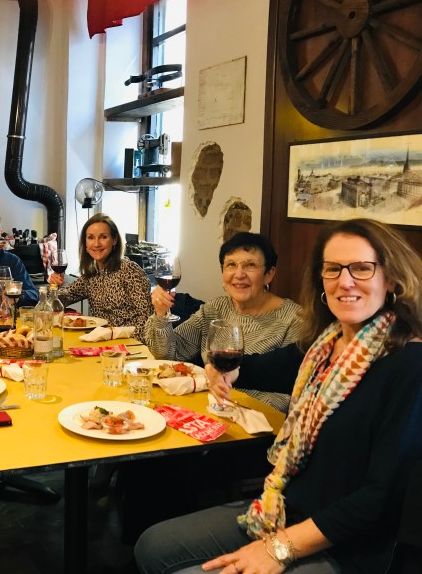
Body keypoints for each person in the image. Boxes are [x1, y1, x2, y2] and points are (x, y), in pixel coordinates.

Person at [135, 218, 422, 574]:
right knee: (152, 545)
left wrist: (279, 548)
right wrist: (228, 369)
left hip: (348, 547)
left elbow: (382, 499)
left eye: (362, 269)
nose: (345, 281)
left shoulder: (409, 365)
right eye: (333, 269)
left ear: (391, 279)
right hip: (283, 508)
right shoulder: (323, 346)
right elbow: (263, 366)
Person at [145, 232, 302, 413]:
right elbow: (169, 353)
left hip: (256, 424)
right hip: (205, 410)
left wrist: (230, 405)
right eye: (231, 265)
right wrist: (161, 315)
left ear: (269, 274)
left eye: (250, 265)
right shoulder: (215, 308)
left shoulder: (294, 319)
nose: (239, 274)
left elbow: (288, 395)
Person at [48, 213, 152, 340]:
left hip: (131, 345)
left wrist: (119, 337)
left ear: (114, 240)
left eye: (103, 237)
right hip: (102, 342)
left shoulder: (130, 270)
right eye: (91, 238)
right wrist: (53, 286)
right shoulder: (91, 275)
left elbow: (148, 319)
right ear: (85, 244)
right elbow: (59, 301)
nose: (96, 244)